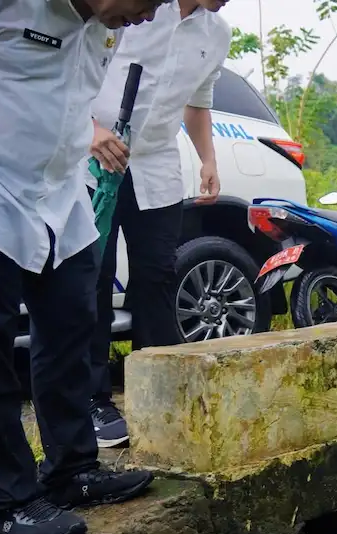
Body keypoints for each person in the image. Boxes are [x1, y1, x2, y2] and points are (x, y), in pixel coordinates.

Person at [0, 0, 167, 534]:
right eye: (148, 2)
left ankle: (72, 469)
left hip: (60, 195)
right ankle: (10, 499)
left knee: (73, 328)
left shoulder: (99, 25)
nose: (146, 17)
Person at [85, 0, 234, 448]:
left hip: (157, 165)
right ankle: (94, 400)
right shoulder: (138, 8)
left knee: (158, 276)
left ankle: (158, 390)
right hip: (95, 157)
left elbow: (197, 103)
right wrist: (90, 129)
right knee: (94, 279)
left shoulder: (216, 33)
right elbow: (76, 71)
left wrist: (208, 159)